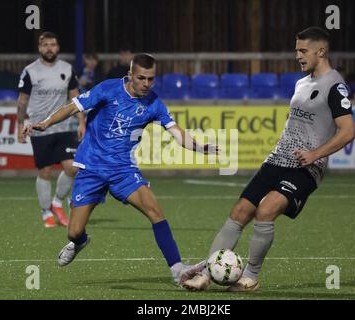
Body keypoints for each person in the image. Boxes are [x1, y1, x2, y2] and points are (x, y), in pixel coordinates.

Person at [183, 26, 355, 292]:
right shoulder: (301, 83)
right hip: (278, 159)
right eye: (296, 49)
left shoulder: (335, 86)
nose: (297, 55)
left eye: (303, 50)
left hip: (306, 167)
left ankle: (250, 277)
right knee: (240, 212)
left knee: (266, 211)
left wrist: (314, 155)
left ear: (321, 51)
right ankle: (207, 273)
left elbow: (348, 131)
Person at [23, 53, 217, 285]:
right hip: (92, 167)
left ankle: (177, 270)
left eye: (151, 79)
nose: (146, 84)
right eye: (141, 78)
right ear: (130, 76)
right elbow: (72, 107)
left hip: (123, 170)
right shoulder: (107, 89)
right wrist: (45, 123)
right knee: (73, 232)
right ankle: (81, 242)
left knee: (155, 211)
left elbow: (177, 133)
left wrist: (200, 147)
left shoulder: (154, 103)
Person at [17, 31, 86, 228]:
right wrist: (20, 125)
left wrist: (81, 121)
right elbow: (22, 100)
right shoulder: (30, 71)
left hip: (64, 126)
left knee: (72, 167)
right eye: (45, 45)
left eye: (53, 44)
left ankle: (57, 202)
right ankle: (46, 211)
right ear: (40, 48)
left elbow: (75, 96)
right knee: (45, 171)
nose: (49, 48)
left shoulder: (66, 68)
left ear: (58, 47)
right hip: (40, 128)